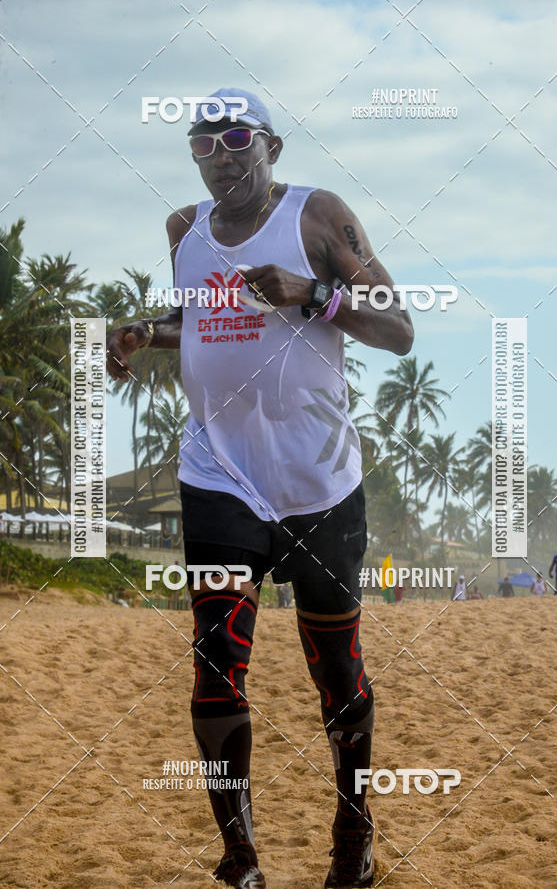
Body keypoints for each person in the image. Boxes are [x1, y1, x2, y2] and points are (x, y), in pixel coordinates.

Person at [106, 87, 413, 889]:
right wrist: (145, 332)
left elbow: (399, 328)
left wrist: (312, 293)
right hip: (218, 477)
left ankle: (354, 836)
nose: (221, 155)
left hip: (319, 483)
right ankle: (239, 858)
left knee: (336, 669)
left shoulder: (317, 216)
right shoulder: (185, 231)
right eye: (203, 144)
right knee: (216, 662)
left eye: (237, 138)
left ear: (272, 145)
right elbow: (203, 321)